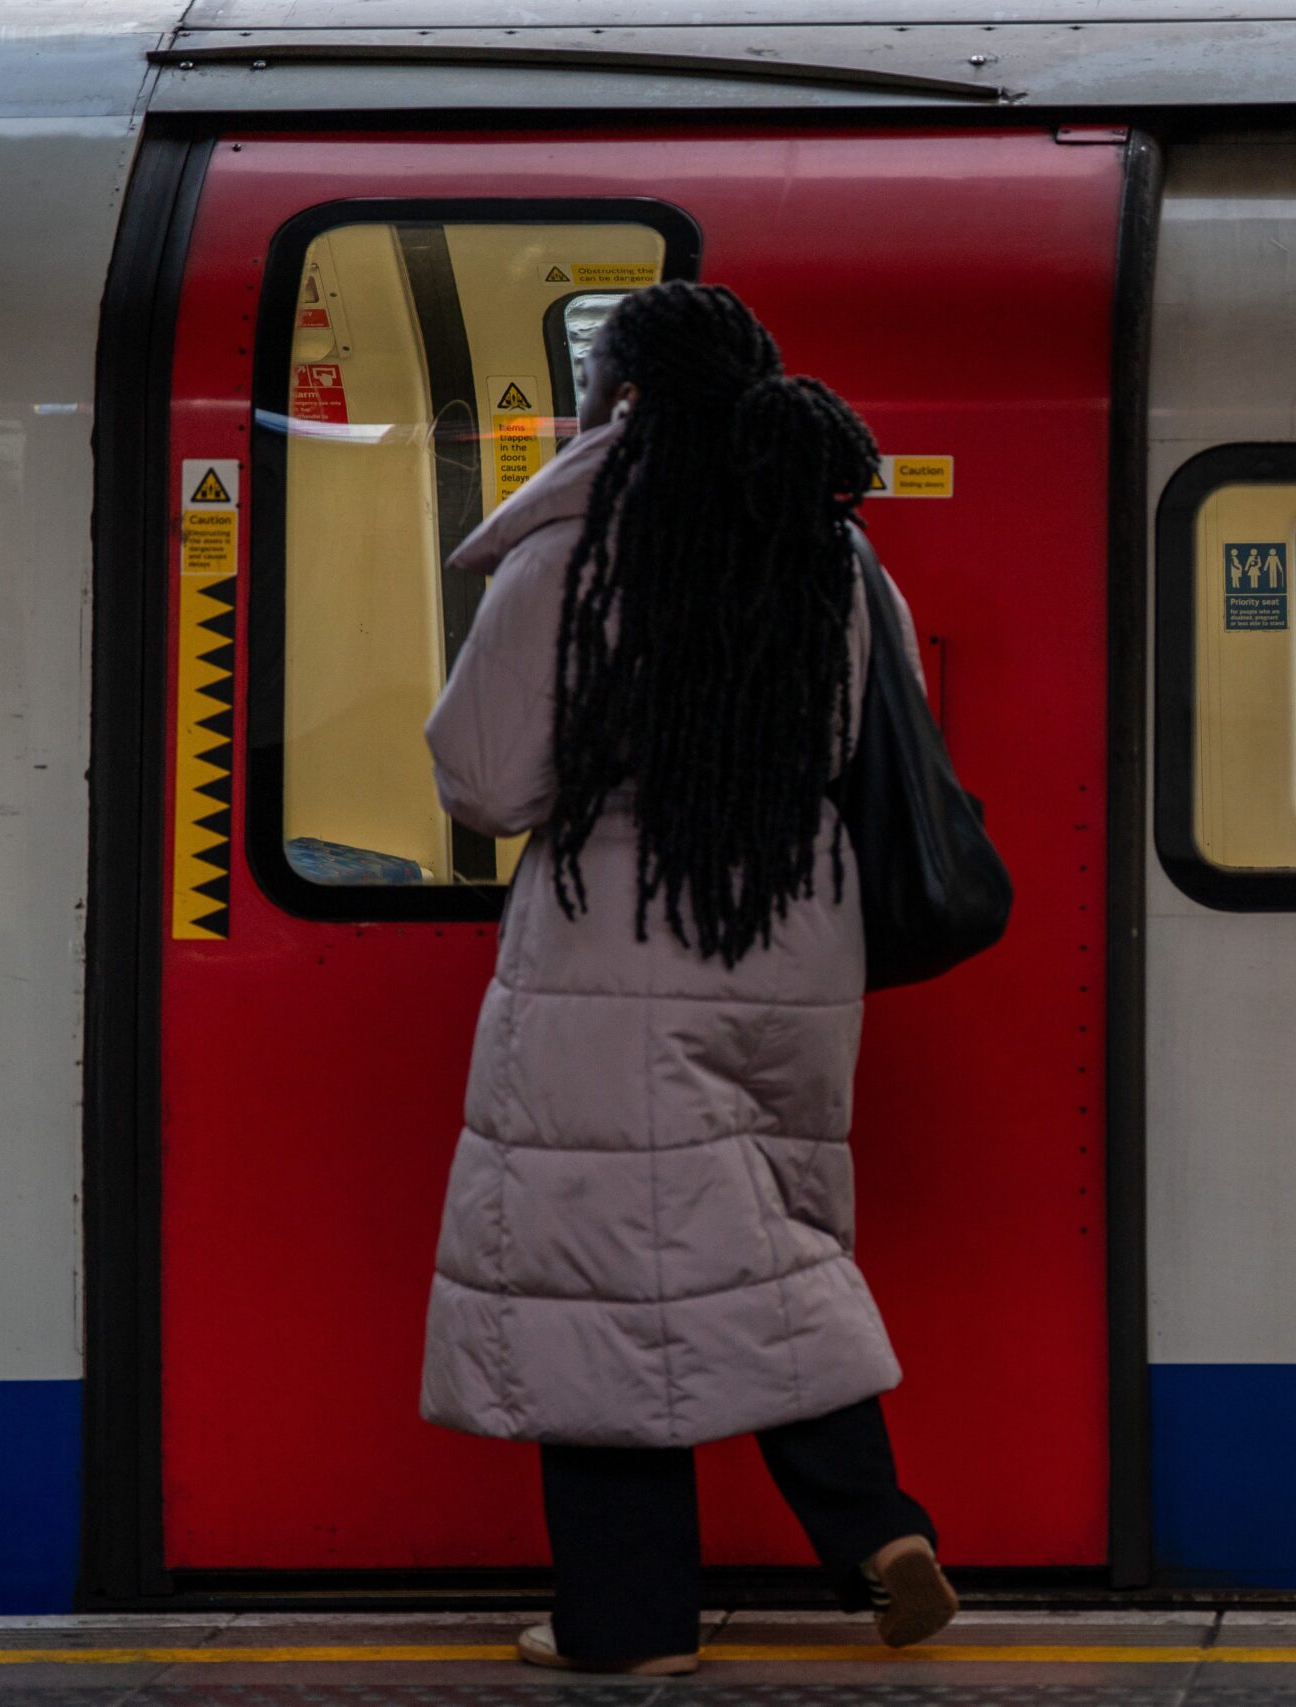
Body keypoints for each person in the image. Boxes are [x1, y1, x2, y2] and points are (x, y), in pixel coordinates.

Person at [418, 281, 956, 1677]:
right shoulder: (833, 551)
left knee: (596, 1267)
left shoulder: (573, 553)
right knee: (767, 1237)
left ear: (619, 394)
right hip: (792, 926)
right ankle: (874, 1523)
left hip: (617, 930)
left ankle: (629, 1620)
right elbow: (879, 733)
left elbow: (486, 782)